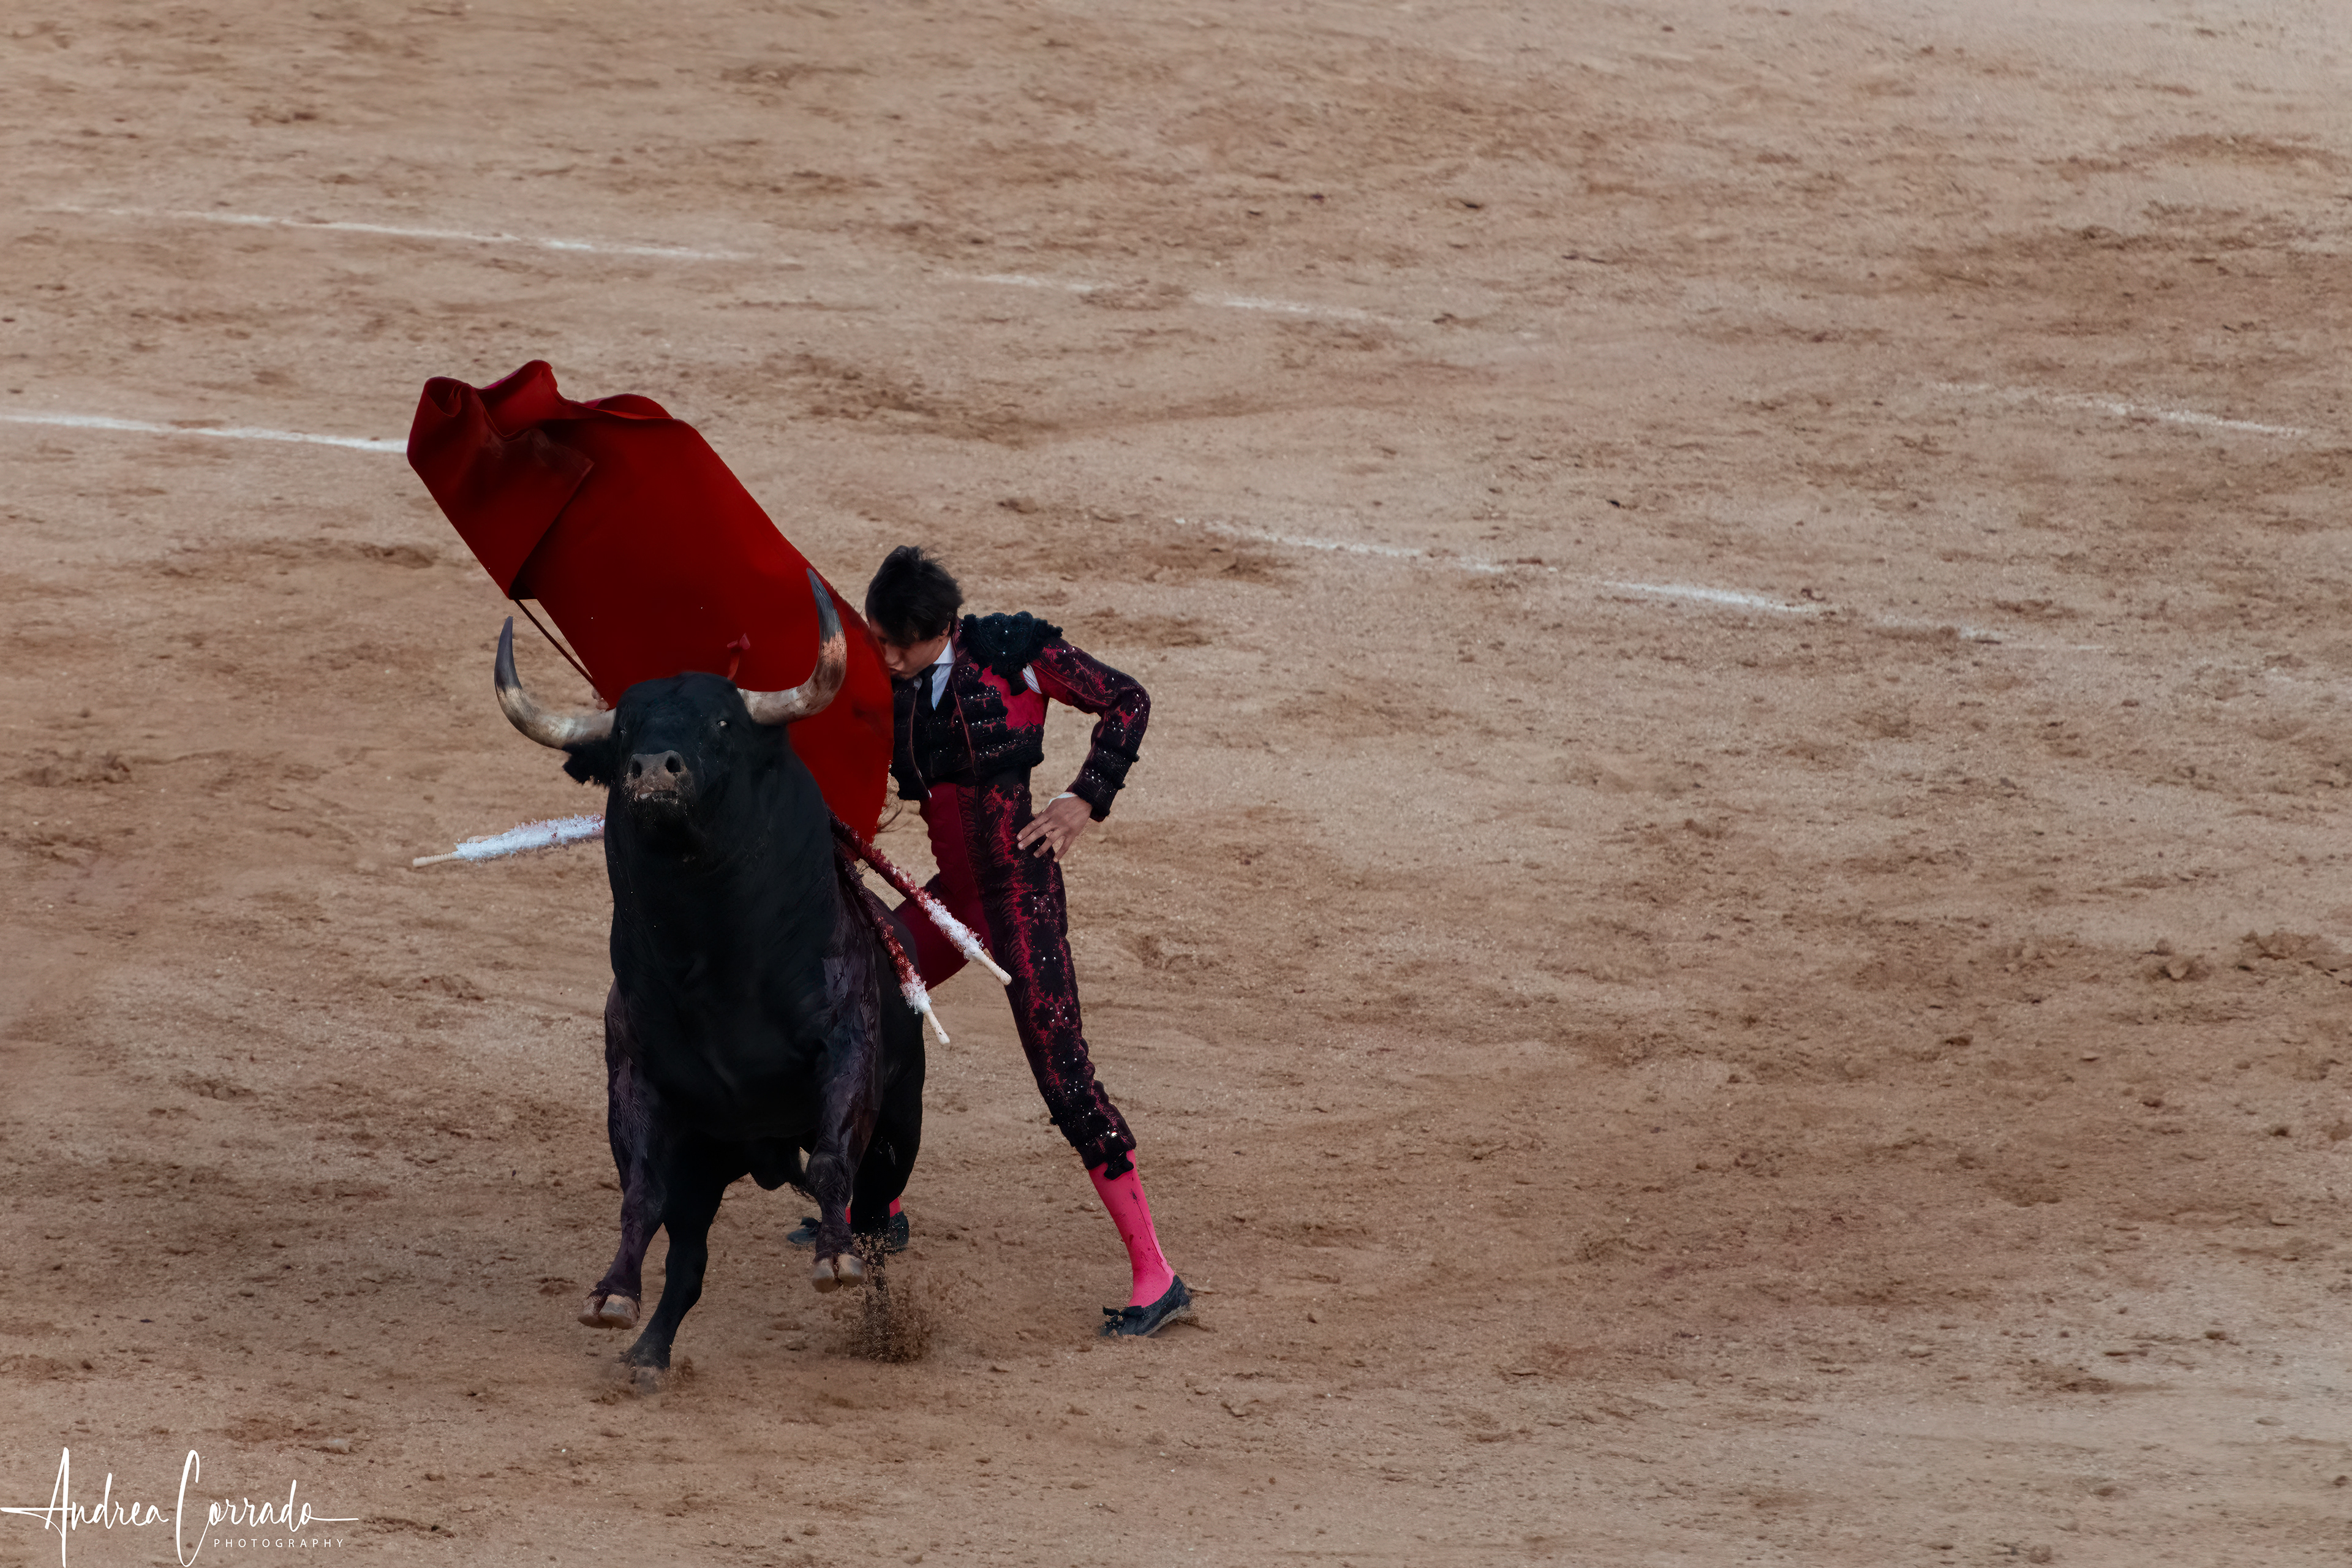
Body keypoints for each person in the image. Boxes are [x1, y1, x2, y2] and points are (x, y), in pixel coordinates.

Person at [856, 543, 1187, 1337]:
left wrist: (1084, 800)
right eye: (880, 642)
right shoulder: (889, 679)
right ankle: (879, 1204)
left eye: (897, 644)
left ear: (938, 631)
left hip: (1021, 900)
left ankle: (1156, 1275)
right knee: (862, 1001)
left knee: (1065, 1080)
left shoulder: (1013, 658)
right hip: (953, 902)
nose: (887, 658)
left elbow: (1128, 702)